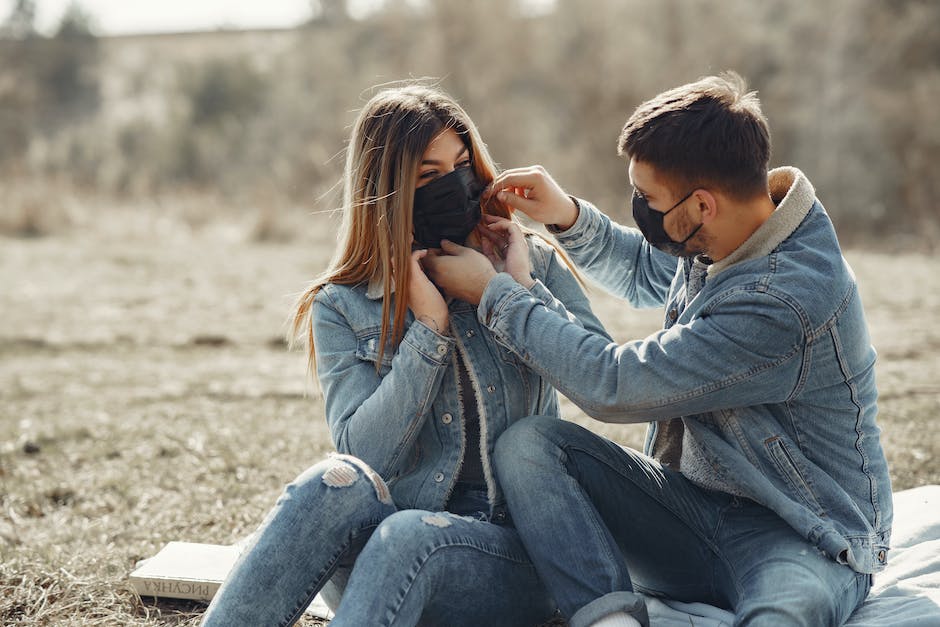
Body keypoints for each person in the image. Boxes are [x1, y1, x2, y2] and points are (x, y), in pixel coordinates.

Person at [424, 72, 892, 627]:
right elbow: (650, 272)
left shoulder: (785, 300)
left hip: (801, 532)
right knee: (529, 445)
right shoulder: (737, 229)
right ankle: (609, 620)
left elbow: (615, 386)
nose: (638, 208)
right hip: (693, 513)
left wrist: (493, 296)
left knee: (784, 614)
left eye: (646, 198)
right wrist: (567, 216)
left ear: (701, 205)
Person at [200, 84, 608, 627]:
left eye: (462, 166)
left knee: (408, 534)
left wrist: (512, 292)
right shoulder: (342, 304)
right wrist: (430, 330)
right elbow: (366, 454)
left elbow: (600, 374)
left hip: (507, 555)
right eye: (428, 177)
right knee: (333, 479)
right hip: (386, 561)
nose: (456, 187)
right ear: (388, 192)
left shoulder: (524, 260)